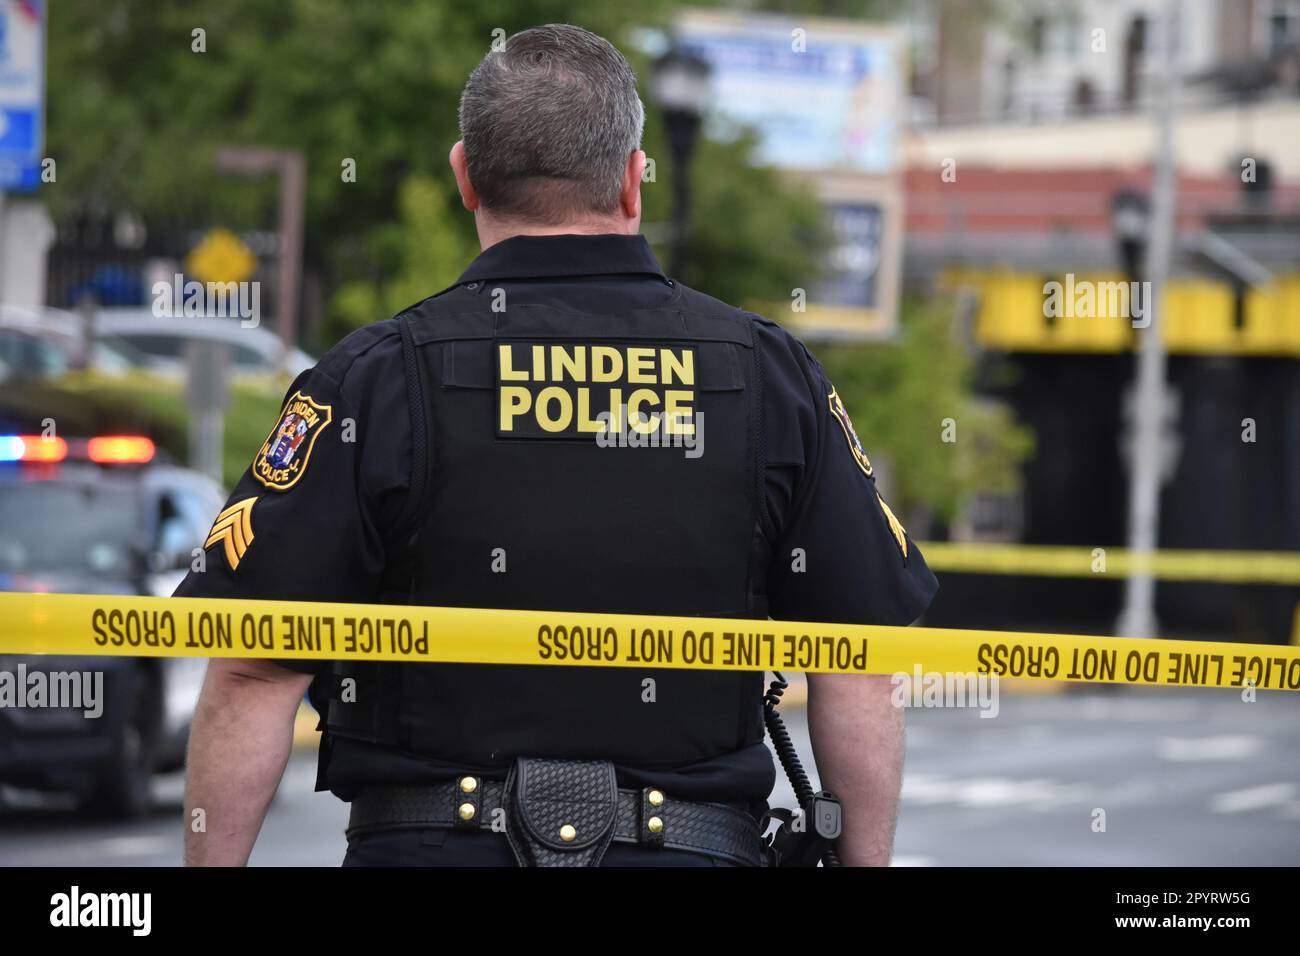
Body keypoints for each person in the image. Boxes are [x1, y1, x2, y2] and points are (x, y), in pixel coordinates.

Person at [179, 23, 937, 868]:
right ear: (632, 179)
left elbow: (251, 673)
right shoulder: (769, 376)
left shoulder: (373, 380)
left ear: (466, 176)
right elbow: (857, 662)